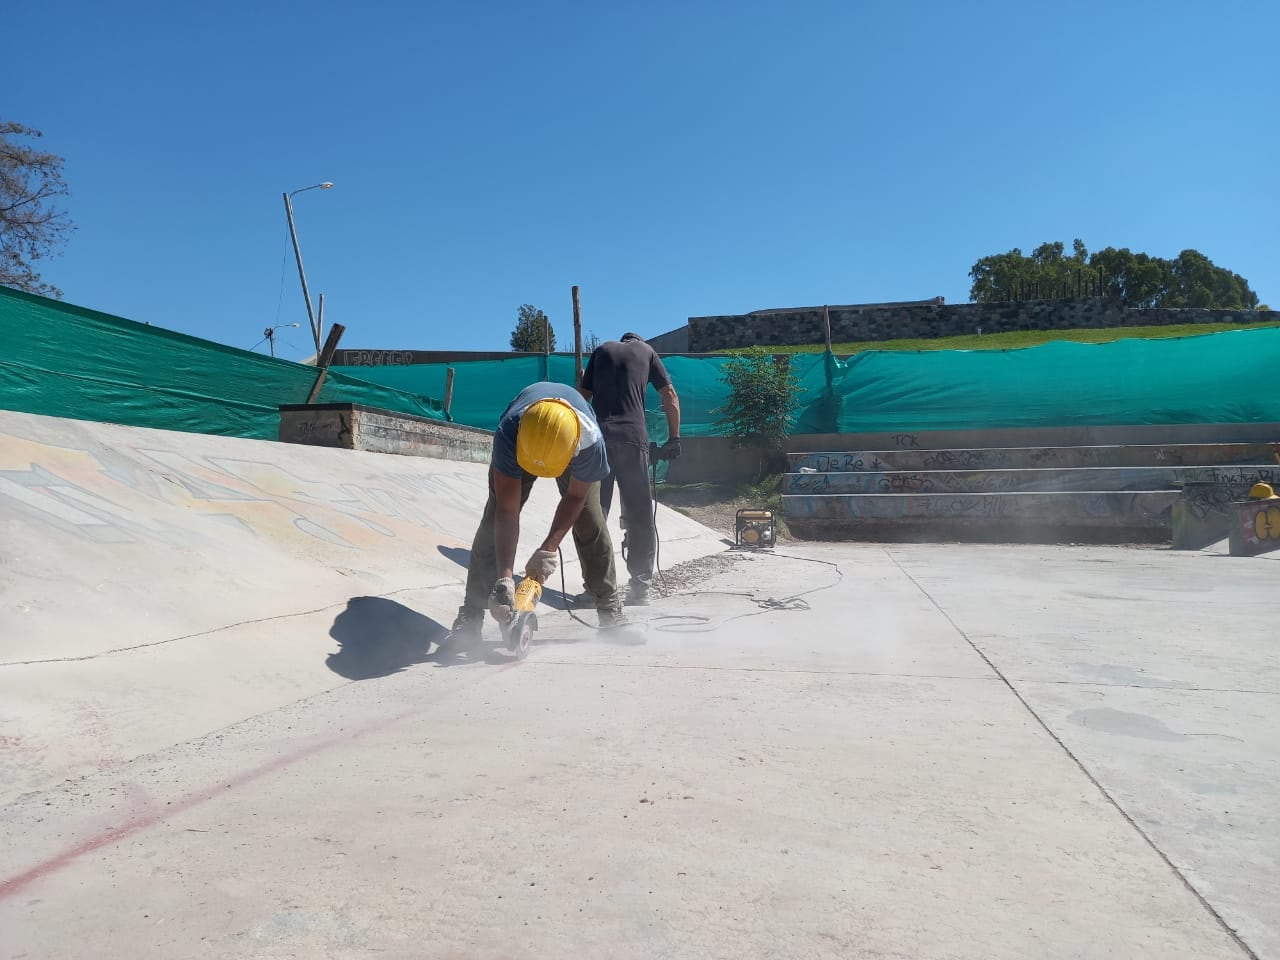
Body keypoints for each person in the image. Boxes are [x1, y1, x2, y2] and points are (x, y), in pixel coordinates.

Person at [449, 381, 627, 647]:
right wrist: (505, 579)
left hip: (566, 447)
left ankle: (610, 609)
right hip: (525, 447)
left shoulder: (590, 445)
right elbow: (507, 513)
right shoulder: (509, 434)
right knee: (491, 523)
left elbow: (575, 497)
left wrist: (548, 550)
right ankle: (471, 616)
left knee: (590, 521)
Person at [578, 332, 682, 605]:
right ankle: (640, 588)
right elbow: (669, 394)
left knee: (594, 514)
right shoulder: (646, 351)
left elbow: (581, 398)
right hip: (633, 440)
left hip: (598, 439)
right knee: (640, 514)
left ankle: (594, 588)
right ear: (637, 340)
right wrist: (675, 438)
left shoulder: (600, 351)